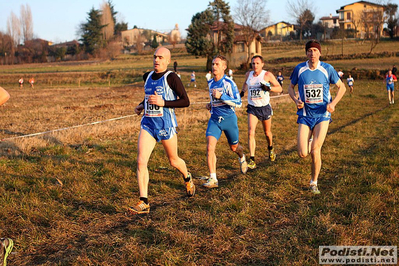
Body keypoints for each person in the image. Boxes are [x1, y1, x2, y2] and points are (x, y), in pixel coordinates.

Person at [129, 47, 194, 214]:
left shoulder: (171, 78)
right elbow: (149, 96)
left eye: (160, 57)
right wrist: (141, 105)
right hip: (148, 124)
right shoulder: (148, 76)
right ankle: (144, 202)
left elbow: (185, 101)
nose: (156, 60)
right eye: (154, 57)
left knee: (173, 161)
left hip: (166, 125)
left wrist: (163, 102)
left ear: (167, 61)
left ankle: (187, 177)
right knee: (141, 161)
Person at [288, 40, 346, 194]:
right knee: (302, 153)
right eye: (309, 50)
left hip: (322, 115)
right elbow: (290, 87)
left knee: (315, 150)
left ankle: (314, 182)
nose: (312, 53)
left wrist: (333, 104)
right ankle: (311, 138)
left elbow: (342, 88)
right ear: (306, 53)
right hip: (305, 115)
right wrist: (296, 100)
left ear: (319, 52)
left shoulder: (327, 69)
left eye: (315, 50)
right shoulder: (299, 69)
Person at [203, 55, 248, 188]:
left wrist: (222, 96)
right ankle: (213, 178)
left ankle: (242, 157)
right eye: (213, 64)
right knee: (210, 147)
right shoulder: (210, 83)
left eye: (217, 64)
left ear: (224, 67)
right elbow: (214, 100)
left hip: (229, 119)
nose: (214, 66)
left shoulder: (229, 83)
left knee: (234, 147)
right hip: (215, 119)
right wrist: (210, 104)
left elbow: (238, 102)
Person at [240, 55, 282, 169]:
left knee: (267, 133)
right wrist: (242, 91)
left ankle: (271, 148)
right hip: (252, 108)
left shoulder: (267, 75)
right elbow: (245, 83)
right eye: (253, 63)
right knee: (250, 132)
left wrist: (269, 89)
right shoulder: (248, 74)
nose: (255, 65)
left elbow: (279, 88)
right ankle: (252, 159)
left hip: (264, 107)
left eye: (257, 63)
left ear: (262, 64)